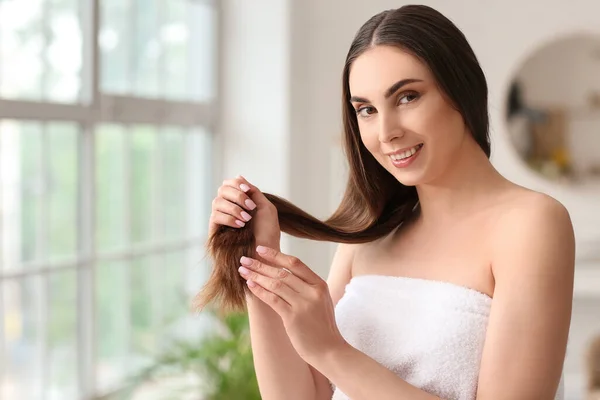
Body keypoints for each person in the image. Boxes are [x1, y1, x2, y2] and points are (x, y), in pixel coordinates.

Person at [206, 4, 574, 399]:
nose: (386, 133)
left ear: (462, 88)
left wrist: (330, 350)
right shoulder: (371, 230)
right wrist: (259, 264)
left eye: (407, 97)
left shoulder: (530, 224)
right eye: (366, 109)